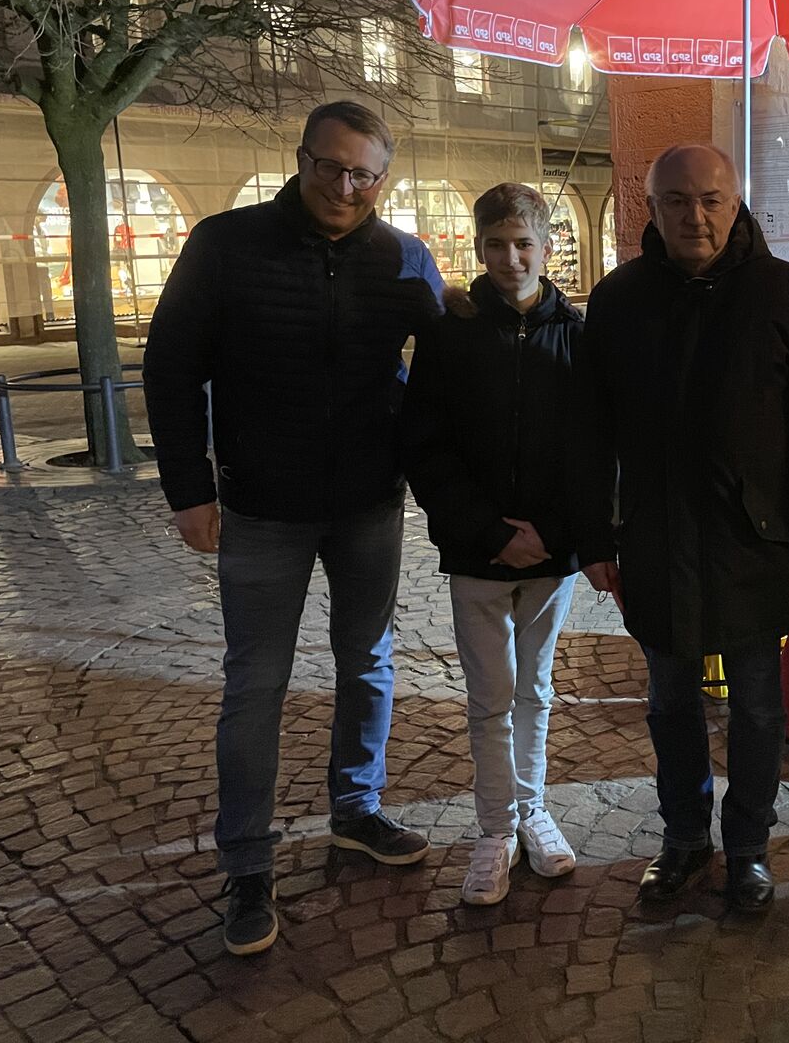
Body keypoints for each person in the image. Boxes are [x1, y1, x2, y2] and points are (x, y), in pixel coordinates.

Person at [143, 100, 444, 957]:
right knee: (255, 685)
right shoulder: (225, 244)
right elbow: (170, 367)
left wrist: (545, 318)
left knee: (370, 662)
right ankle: (246, 862)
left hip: (368, 504)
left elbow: (457, 365)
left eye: (363, 173)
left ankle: (356, 809)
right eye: (330, 166)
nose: (344, 186)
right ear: (302, 157)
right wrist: (188, 488)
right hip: (261, 506)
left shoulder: (403, 258)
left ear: (382, 178)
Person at [575, 143, 789, 911]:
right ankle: (685, 839)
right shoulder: (620, 299)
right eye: (678, 201)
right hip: (656, 539)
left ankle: (750, 847)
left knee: (759, 705)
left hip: (755, 539)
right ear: (650, 210)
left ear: (737, 203)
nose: (696, 216)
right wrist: (595, 538)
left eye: (712, 200)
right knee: (669, 703)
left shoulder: (788, 294)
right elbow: (589, 429)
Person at [401, 182, 583, 907]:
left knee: (536, 691)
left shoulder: (575, 333)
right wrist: (486, 531)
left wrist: (557, 534)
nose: (511, 258)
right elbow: (426, 444)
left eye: (525, 243)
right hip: (479, 550)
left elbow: (590, 448)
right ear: (478, 247)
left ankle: (533, 811)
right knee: (489, 697)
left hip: (551, 551)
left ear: (547, 246)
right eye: (497, 245)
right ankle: (493, 829)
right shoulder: (450, 334)